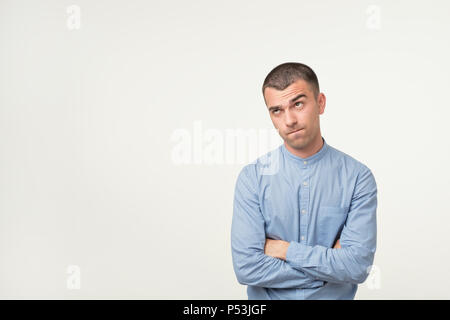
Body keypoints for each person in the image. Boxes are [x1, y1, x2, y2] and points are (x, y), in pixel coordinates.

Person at [231, 62, 377, 299]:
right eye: (277, 110)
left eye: (298, 104)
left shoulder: (358, 178)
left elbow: (357, 266)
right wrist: (331, 267)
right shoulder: (252, 178)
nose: (289, 120)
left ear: (320, 103)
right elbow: (247, 268)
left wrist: (284, 250)